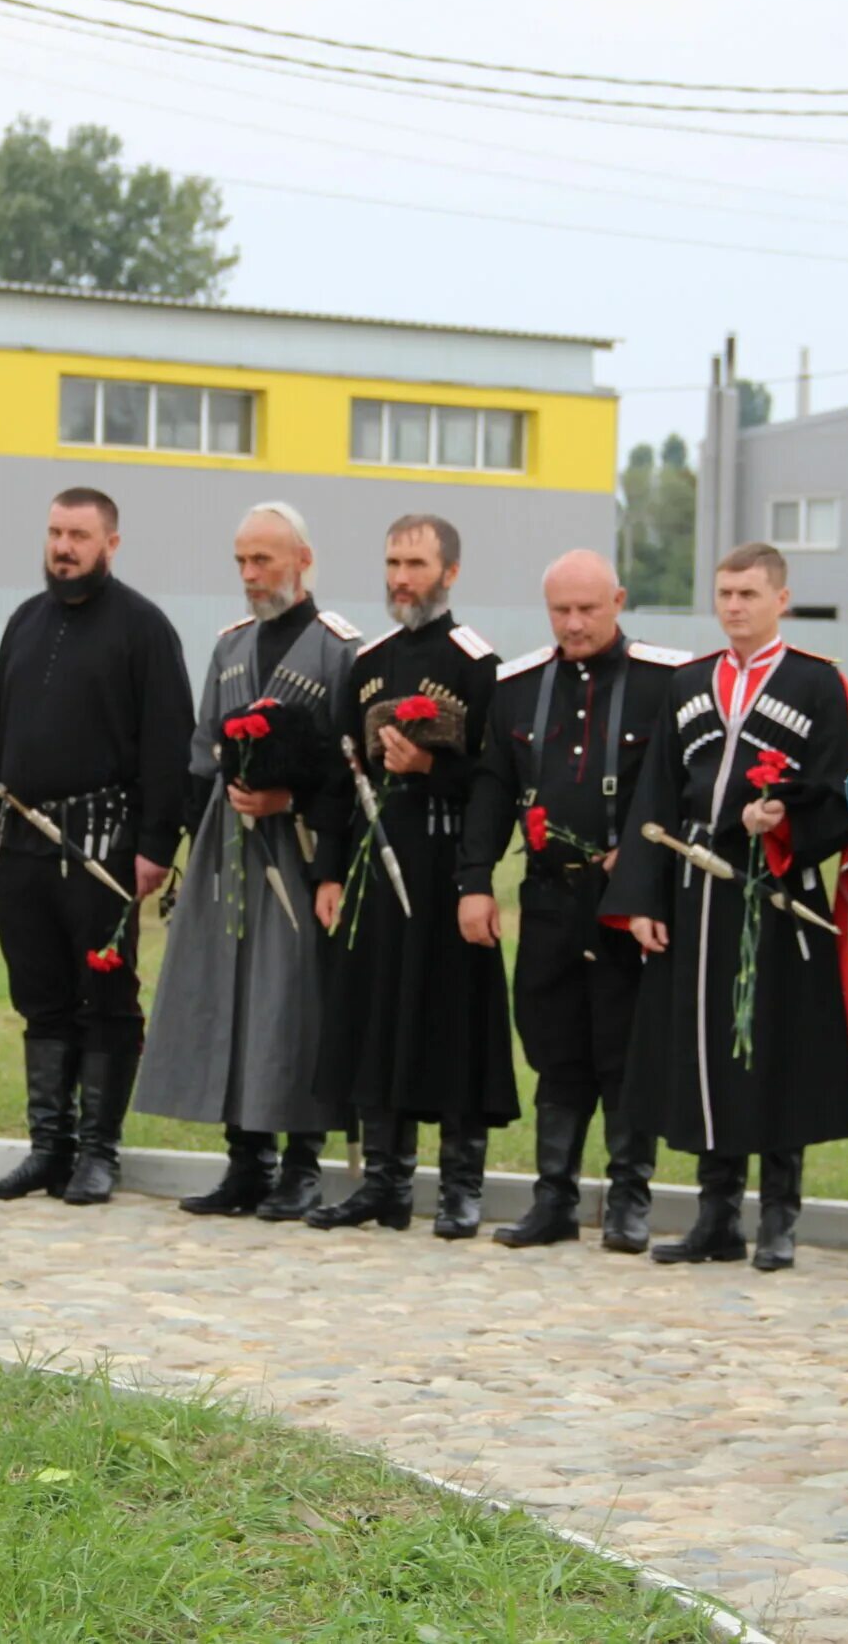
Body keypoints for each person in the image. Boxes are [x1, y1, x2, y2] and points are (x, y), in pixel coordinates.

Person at [605, 543, 848, 1271]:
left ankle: (779, 1216)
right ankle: (716, 1215)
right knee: (700, 1050)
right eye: (724, 593)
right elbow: (654, 795)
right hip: (694, 893)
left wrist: (784, 818)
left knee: (775, 1046)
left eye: (749, 593)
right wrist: (642, 896)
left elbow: (846, 788)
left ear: (780, 599)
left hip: (773, 892)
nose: (734, 606)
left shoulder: (818, 685)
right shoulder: (688, 682)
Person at [0, 488, 191, 1206]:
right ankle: (47, 1149)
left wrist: (154, 845)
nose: (64, 546)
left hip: (104, 849)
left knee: (106, 998)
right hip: (23, 846)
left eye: (80, 535)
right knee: (42, 1000)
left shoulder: (144, 628)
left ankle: (98, 1151)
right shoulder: (25, 621)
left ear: (110, 543)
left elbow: (169, 743)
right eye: (57, 532)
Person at [457, 549, 684, 1252]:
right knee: (555, 1045)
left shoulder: (665, 682)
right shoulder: (520, 685)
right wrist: (473, 883)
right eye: (562, 610)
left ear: (618, 600)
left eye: (588, 608)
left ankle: (627, 1200)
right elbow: (493, 790)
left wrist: (641, 859)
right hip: (549, 897)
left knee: (623, 1049)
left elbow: (681, 788)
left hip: (627, 900)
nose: (575, 622)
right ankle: (553, 1196)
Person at [139, 503, 357, 1220]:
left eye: (263, 559)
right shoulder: (231, 648)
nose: (250, 574)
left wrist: (294, 805)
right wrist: (180, 859)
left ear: (302, 558)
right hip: (225, 855)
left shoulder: (338, 650)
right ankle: (246, 1158)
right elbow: (203, 755)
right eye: (241, 560)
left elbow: (352, 770)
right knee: (233, 999)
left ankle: (301, 1162)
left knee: (292, 1004)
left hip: (296, 859)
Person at [305, 514, 518, 1237]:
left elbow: (497, 778)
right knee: (373, 1019)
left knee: (451, 1019)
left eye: (417, 564)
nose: (402, 577)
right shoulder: (369, 661)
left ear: (449, 572)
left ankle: (460, 1186)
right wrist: (328, 872)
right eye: (394, 562)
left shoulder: (477, 662)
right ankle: (383, 1182)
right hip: (374, 860)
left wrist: (432, 768)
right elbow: (341, 775)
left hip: (444, 861)